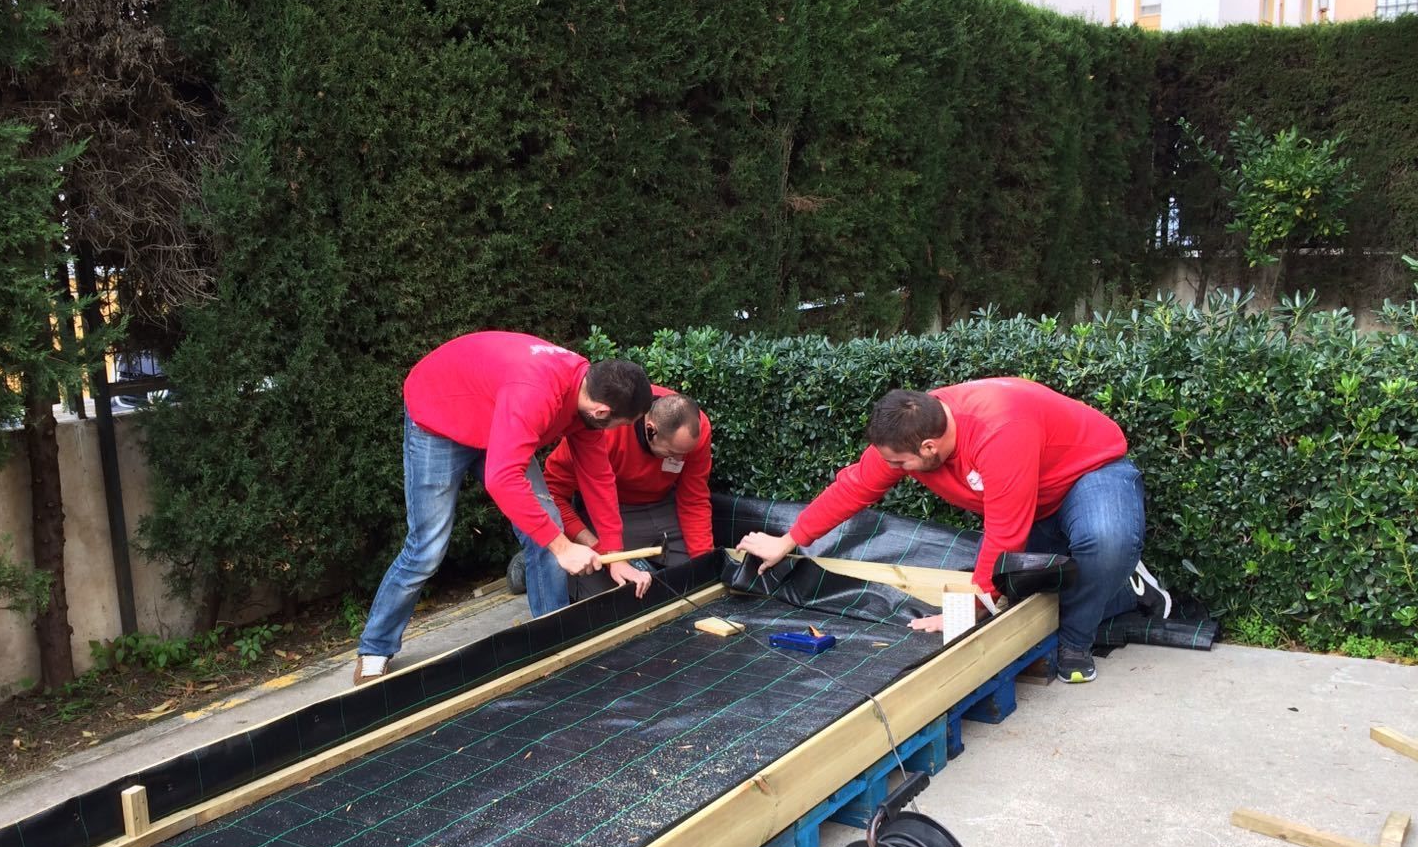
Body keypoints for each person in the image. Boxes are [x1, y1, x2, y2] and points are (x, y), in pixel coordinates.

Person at [736, 379, 1166, 683]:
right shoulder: (911, 429)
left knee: (1104, 542)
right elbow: (854, 488)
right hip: (1031, 494)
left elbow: (1004, 532)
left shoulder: (999, 432)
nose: (895, 470)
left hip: (1090, 475)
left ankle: (1075, 641)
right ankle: (1125, 590)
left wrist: (969, 609)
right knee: (1025, 586)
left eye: (900, 464)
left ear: (929, 447)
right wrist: (788, 540)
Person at [355, 332, 655, 685]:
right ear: (602, 411)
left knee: (549, 528)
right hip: (440, 417)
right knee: (427, 548)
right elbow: (502, 479)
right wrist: (563, 548)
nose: (622, 431)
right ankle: (375, 647)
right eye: (622, 424)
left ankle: (551, 640)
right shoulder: (538, 393)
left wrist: (615, 554)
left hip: (499, 419)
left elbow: (598, 476)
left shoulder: (588, 394)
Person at [542, 387, 714, 600]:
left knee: (692, 580)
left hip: (663, 508)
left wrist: (705, 566)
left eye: (684, 455)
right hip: (608, 512)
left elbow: (694, 499)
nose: (679, 460)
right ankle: (540, 558)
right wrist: (601, 551)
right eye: (672, 453)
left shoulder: (695, 429)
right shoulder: (605, 429)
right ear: (650, 430)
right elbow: (551, 495)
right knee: (618, 595)